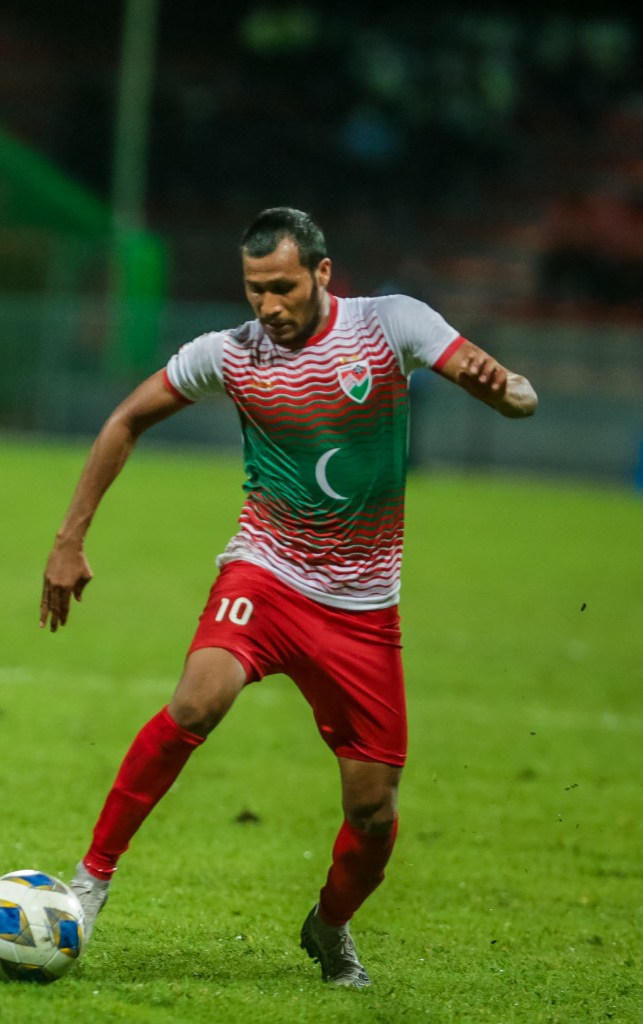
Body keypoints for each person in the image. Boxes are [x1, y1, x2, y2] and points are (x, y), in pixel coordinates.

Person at [40, 208, 537, 988]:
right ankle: (88, 882)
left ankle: (329, 926)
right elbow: (126, 419)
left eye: (282, 286)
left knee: (373, 815)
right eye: (253, 289)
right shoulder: (230, 354)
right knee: (197, 701)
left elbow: (490, 379)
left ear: (323, 273)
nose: (267, 306)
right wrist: (69, 539)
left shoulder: (388, 325)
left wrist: (505, 392)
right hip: (265, 572)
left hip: (365, 610)